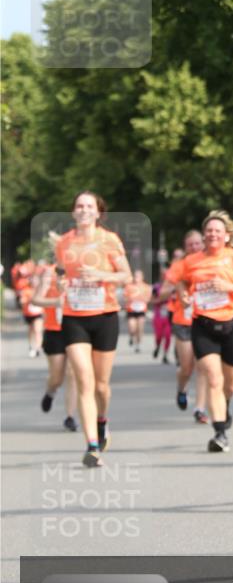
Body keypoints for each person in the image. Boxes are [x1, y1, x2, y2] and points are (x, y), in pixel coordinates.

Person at [55, 191, 132, 467]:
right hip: (74, 316)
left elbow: (126, 276)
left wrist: (101, 275)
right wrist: (62, 283)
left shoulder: (109, 240)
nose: (84, 210)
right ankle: (92, 446)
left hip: (104, 315)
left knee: (101, 386)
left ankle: (102, 420)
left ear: (98, 212)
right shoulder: (64, 242)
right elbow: (61, 272)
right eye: (79, 205)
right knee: (84, 380)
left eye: (89, 206)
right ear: (73, 211)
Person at [178, 211, 233, 452]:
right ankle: (220, 432)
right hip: (203, 325)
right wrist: (183, 294)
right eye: (209, 231)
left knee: (230, 385)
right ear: (204, 235)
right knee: (213, 378)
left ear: (226, 236)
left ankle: (225, 405)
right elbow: (182, 281)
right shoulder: (191, 261)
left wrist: (227, 286)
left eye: (217, 231)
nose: (212, 234)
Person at [157, 230, 209, 421]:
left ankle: (200, 409)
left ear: (203, 243)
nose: (194, 247)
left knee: (203, 366)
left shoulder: (209, 262)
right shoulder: (179, 266)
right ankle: (181, 388)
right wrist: (175, 287)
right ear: (185, 247)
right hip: (183, 321)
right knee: (187, 367)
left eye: (197, 243)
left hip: (205, 319)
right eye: (190, 245)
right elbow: (162, 293)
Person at [32, 263, 78, 430]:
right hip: (54, 330)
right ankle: (50, 391)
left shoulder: (79, 269)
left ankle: (70, 417)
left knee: (72, 373)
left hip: (76, 328)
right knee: (57, 378)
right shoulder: (49, 273)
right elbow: (36, 299)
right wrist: (56, 302)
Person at [123, 269, 152, 352]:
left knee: (140, 328)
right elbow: (125, 298)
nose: (136, 278)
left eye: (138, 276)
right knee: (132, 327)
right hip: (131, 310)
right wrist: (131, 299)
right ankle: (131, 336)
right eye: (135, 276)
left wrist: (141, 298)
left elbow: (148, 299)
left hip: (141, 310)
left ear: (142, 277)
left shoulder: (146, 287)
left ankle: (138, 345)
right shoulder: (129, 286)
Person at [151, 273, 172, 363]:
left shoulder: (173, 288)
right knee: (159, 336)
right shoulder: (156, 287)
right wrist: (160, 300)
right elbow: (152, 300)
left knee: (168, 336)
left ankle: (165, 355)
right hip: (158, 316)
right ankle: (157, 346)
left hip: (169, 316)